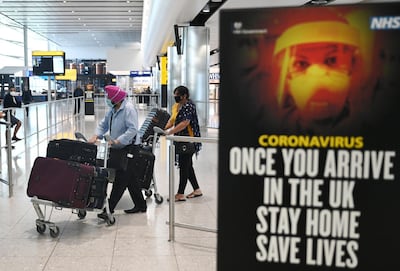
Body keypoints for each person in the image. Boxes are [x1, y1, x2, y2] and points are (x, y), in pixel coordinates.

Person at [88, 85, 147, 218]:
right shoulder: (113, 109)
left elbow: (132, 130)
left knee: (121, 179)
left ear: (115, 98)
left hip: (129, 148)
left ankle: (109, 209)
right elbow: (103, 124)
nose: (107, 99)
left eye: (109, 97)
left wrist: (118, 141)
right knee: (131, 178)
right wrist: (96, 135)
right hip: (118, 148)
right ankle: (141, 205)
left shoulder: (128, 109)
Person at [163, 85, 202, 201]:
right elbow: (172, 121)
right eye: (174, 96)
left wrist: (170, 132)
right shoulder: (177, 106)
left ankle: (180, 193)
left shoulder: (189, 106)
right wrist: (162, 129)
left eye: (178, 96)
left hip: (189, 139)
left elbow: (185, 123)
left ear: (184, 96)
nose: (176, 98)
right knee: (188, 166)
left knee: (184, 166)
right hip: (180, 139)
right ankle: (197, 189)